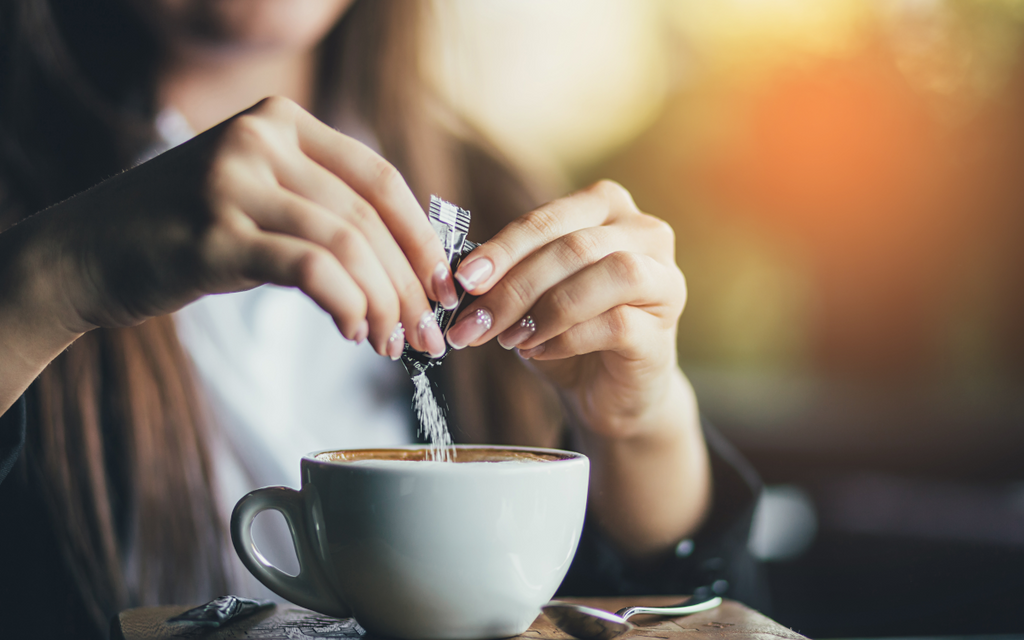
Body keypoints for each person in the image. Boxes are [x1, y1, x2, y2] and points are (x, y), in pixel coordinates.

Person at [0, 1, 763, 637]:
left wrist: (640, 430)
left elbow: (677, 604)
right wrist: (50, 278)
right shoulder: (36, 233)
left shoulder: (498, 203)